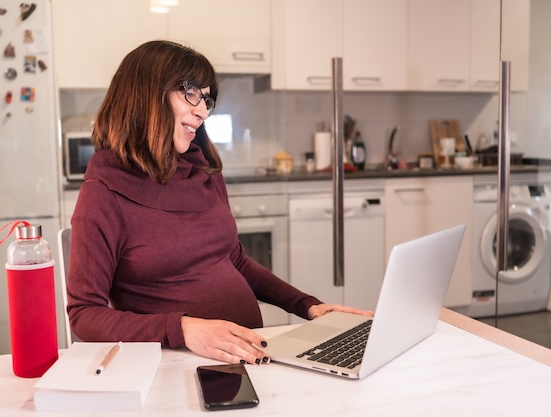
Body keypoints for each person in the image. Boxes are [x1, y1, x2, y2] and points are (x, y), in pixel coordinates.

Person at [67, 40, 371, 366]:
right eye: (191, 93)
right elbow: (84, 314)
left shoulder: (203, 169)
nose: (201, 111)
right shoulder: (104, 193)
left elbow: (234, 260)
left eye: (206, 99)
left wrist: (308, 306)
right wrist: (183, 328)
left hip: (251, 353)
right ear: (146, 93)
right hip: (176, 364)